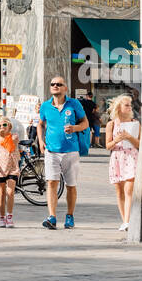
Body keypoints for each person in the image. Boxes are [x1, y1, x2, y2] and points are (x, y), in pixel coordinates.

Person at [38, 77, 88, 230]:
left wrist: (75, 128)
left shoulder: (74, 104)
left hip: (71, 151)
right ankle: (52, 217)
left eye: (59, 84)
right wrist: (40, 141)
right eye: (52, 84)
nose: (55, 86)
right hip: (51, 151)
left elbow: (85, 123)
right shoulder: (45, 106)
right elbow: (40, 124)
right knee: (52, 183)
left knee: (70, 186)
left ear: (65, 88)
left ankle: (70, 216)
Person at [106, 94, 141, 231]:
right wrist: (117, 140)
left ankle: (127, 222)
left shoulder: (135, 123)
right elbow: (108, 145)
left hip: (131, 156)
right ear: (119, 107)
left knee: (129, 189)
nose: (130, 107)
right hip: (117, 157)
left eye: (130, 105)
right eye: (126, 105)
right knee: (119, 191)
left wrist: (129, 137)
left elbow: (139, 144)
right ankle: (124, 220)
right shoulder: (111, 124)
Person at [0, 115, 20, 226]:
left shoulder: (14, 137)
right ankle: (2, 218)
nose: (2, 127)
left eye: (4, 125)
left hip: (12, 167)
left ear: (9, 126)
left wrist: (6, 137)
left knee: (10, 192)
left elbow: (11, 148)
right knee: (1, 194)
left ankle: (9, 216)